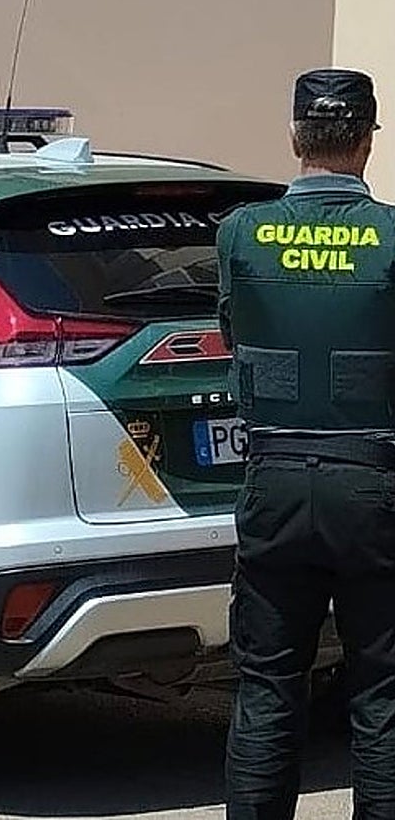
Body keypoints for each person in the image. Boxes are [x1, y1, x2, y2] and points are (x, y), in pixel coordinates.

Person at [218, 68, 395, 820]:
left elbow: (233, 333)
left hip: (275, 481)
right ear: (366, 141)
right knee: (384, 694)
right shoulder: (391, 238)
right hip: (374, 485)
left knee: (267, 686)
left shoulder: (239, 233)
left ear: (295, 137)